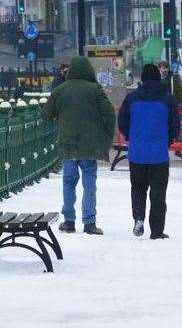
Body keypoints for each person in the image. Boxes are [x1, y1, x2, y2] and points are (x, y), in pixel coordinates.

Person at [42, 56, 115, 235]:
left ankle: (69, 221)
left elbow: (46, 115)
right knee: (89, 184)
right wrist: (106, 136)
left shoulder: (60, 90)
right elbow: (110, 114)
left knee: (68, 183)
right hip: (90, 146)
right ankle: (89, 222)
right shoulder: (95, 90)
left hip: (68, 144)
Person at [118, 64, 180, 240]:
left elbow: (122, 121)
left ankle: (138, 217)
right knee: (158, 193)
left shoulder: (131, 99)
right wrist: (167, 140)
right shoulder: (168, 99)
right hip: (159, 155)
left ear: (142, 79)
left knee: (138, 188)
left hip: (137, 153)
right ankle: (157, 231)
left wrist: (132, 136)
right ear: (158, 78)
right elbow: (175, 125)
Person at [158, 60, 182, 159]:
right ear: (159, 69)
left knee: (179, 127)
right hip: (162, 107)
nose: (164, 70)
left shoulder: (174, 77)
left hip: (174, 106)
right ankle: (163, 149)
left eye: (166, 68)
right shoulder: (157, 79)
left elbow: (179, 92)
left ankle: (178, 149)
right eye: (162, 68)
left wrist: (181, 104)